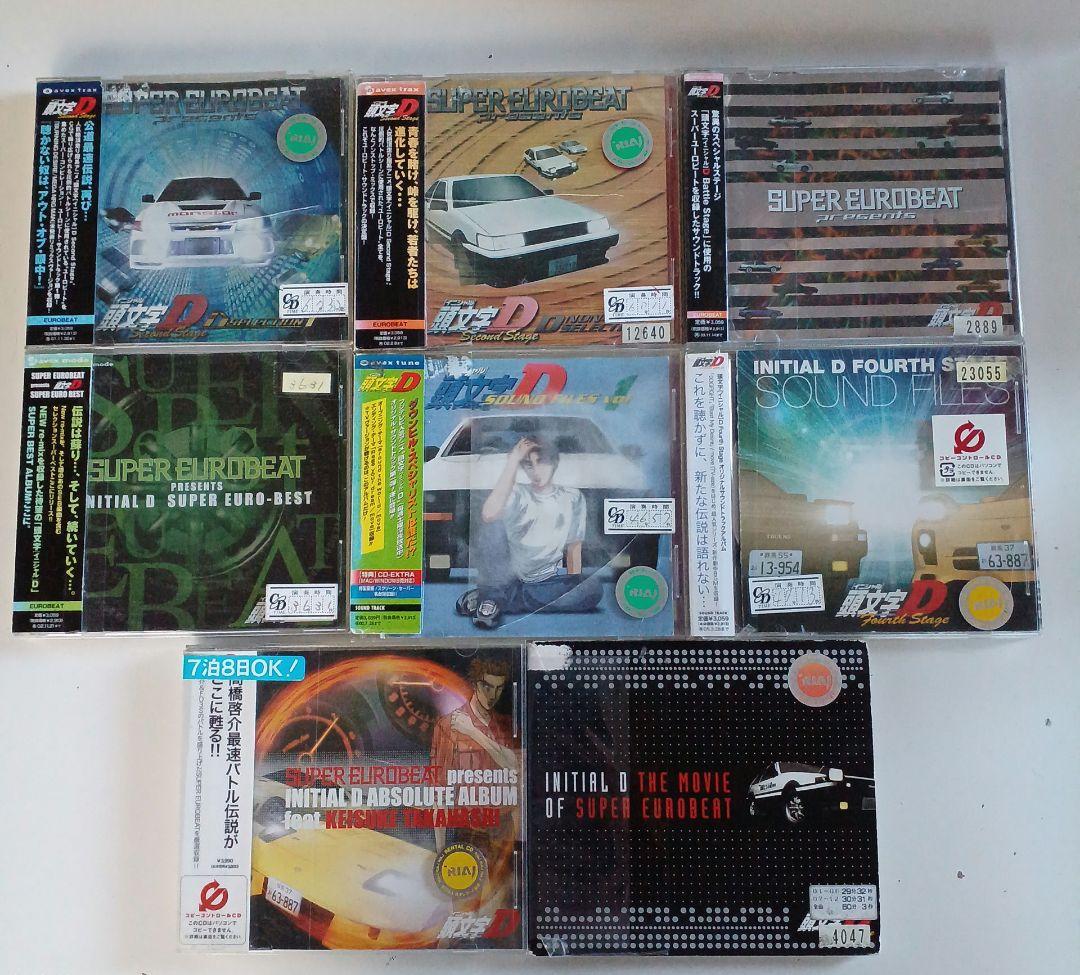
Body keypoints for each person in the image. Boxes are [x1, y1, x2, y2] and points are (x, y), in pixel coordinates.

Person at [455, 436, 602, 628]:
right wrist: (513, 461)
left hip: (545, 582)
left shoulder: (573, 497)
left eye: (541, 462)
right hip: (508, 576)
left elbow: (574, 545)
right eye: (528, 464)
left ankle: (494, 598)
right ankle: (495, 595)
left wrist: (574, 584)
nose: (535, 471)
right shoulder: (516, 493)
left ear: (554, 462)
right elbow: (489, 514)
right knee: (491, 528)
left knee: (592, 589)